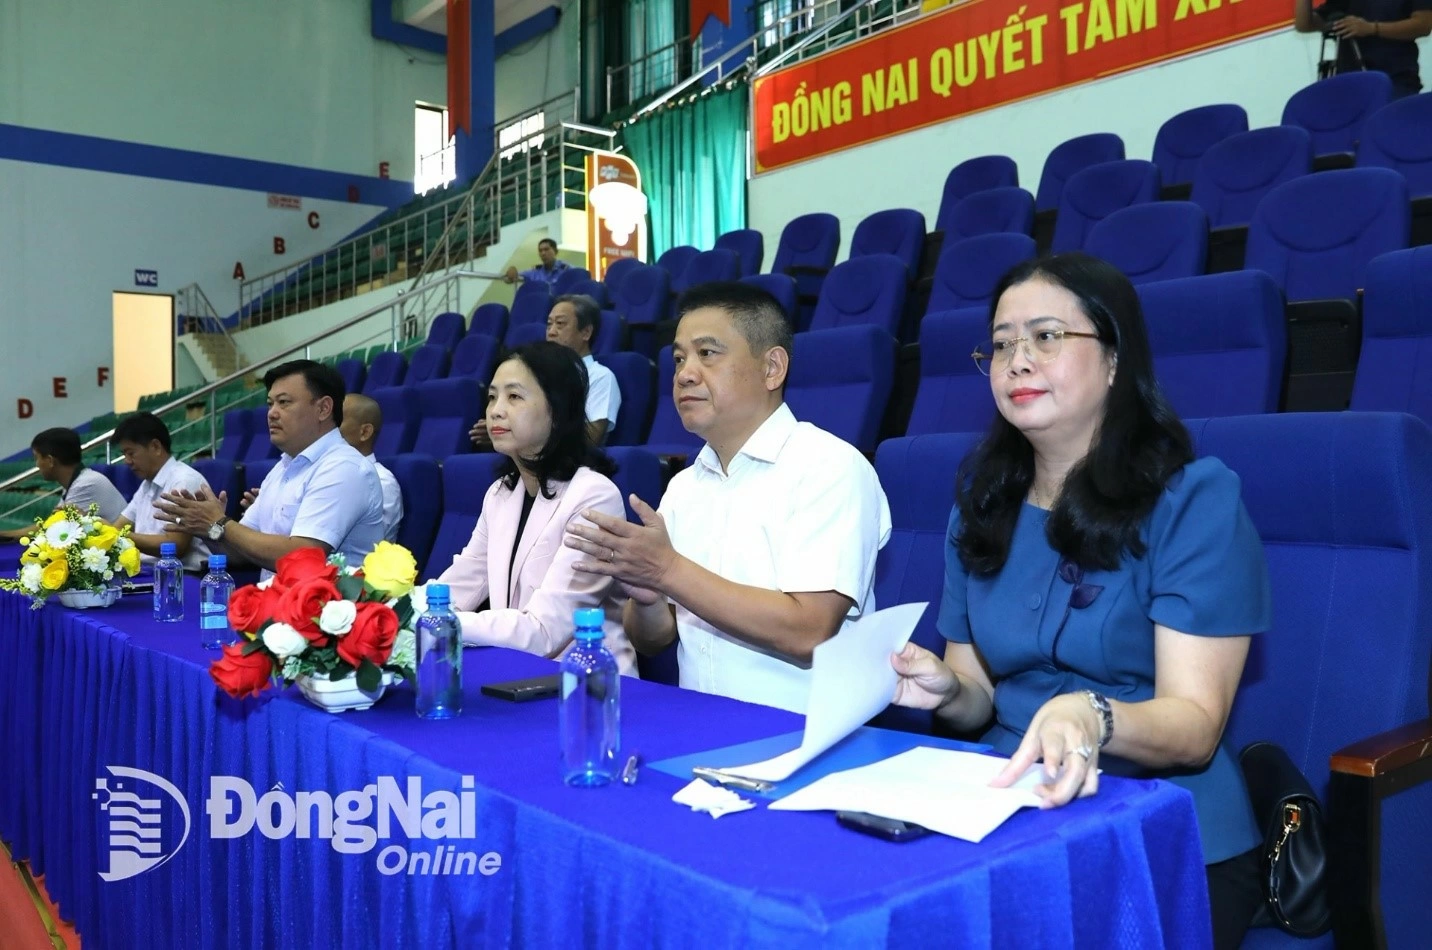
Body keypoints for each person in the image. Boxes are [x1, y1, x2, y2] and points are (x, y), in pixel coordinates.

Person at [888, 254, 1269, 950]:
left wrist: (1093, 716)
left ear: (1116, 359)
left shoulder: (1194, 500)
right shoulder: (980, 505)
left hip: (1160, 823)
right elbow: (977, 699)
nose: (1016, 361)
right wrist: (948, 688)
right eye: (1001, 344)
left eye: (1046, 337)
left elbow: (1194, 728)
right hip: (1008, 806)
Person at [564, 282, 891, 713]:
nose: (684, 373)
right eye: (679, 358)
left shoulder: (829, 468)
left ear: (772, 368)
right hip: (703, 730)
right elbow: (654, 639)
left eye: (708, 353)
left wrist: (666, 570)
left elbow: (808, 632)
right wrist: (645, 597)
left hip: (806, 743)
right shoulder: (684, 486)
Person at [433, 341, 635, 672]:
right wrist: (396, 610)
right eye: (492, 397)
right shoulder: (500, 493)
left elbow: (544, 631)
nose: (496, 410)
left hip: (587, 684)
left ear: (557, 412)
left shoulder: (594, 496)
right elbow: (460, 583)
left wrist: (433, 622)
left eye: (514, 397)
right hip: (516, 672)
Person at [154, 360, 384, 580]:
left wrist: (220, 522)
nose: (272, 413)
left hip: (326, 615)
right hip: (276, 607)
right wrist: (204, 528)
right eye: (270, 403)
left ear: (324, 408)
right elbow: (237, 553)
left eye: (284, 402)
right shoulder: (282, 468)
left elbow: (304, 555)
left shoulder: (344, 467)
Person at [469, 295, 621, 448]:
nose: (551, 332)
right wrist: (503, 432)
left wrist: (520, 433)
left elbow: (590, 439)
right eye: (549, 325)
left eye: (560, 324)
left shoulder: (600, 377)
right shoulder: (535, 376)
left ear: (586, 332)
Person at [110, 412, 213, 571]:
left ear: (155, 447)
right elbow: (121, 525)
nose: (127, 461)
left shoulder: (183, 481)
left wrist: (118, 536)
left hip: (184, 575)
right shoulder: (147, 484)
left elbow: (176, 545)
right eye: (124, 454)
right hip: (149, 571)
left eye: (131, 453)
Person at [0, 428, 126, 539]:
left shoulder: (86, 484)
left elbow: (53, 527)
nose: (37, 464)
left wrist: (7, 535)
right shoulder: (76, 481)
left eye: (37, 458)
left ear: (50, 460)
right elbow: (54, 520)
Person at [1294, 0, 1432, 98]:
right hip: (1351, 84)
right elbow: (1305, 24)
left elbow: (1423, 25)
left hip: (1396, 80)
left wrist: (1372, 28)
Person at [338, 393, 404, 542]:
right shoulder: (320, 473)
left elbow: (363, 546)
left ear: (365, 432)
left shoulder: (381, 482)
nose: (326, 430)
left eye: (337, 420)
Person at [503, 237, 571, 288]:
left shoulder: (566, 269)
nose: (543, 253)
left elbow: (579, 278)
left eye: (546, 249)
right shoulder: (534, 273)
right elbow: (507, 280)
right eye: (540, 251)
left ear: (556, 251)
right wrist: (511, 269)